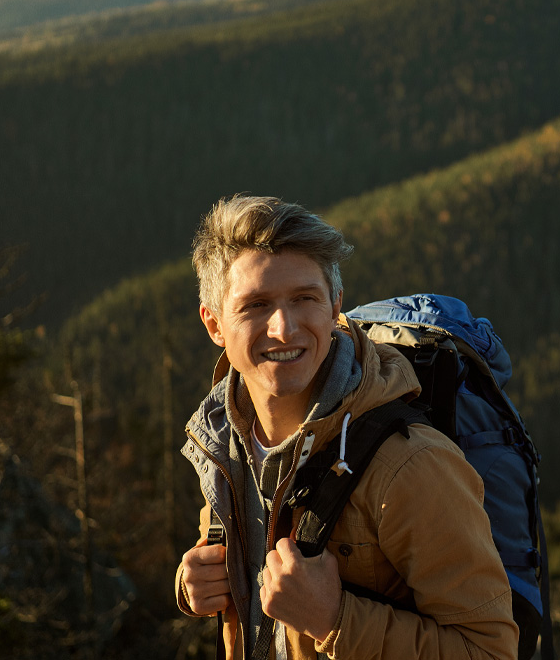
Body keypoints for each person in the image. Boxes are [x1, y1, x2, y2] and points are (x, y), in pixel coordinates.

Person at [174, 195, 518, 660]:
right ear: (213, 323)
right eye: (255, 305)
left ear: (335, 304)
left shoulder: (410, 465)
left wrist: (335, 620)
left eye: (304, 298)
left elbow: (491, 651)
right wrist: (195, 580)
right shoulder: (224, 441)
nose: (284, 328)